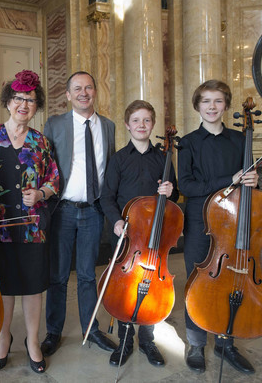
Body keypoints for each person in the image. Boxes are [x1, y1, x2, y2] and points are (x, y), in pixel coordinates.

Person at [0, 70, 59, 374]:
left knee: (33, 287)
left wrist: (39, 194)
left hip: (32, 227)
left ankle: (33, 341)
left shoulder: (41, 142)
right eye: (18, 98)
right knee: (3, 287)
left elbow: (54, 181)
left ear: (37, 106)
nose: (24, 104)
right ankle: (3, 337)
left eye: (31, 100)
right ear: (8, 101)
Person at [178, 80, 258, 374]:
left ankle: (227, 344)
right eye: (206, 101)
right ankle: (196, 343)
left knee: (231, 283)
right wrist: (229, 180)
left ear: (226, 105)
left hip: (233, 222)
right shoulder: (187, 142)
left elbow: (247, 184)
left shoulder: (240, 140)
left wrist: (252, 180)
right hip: (200, 221)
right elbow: (186, 185)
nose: (212, 107)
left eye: (218, 101)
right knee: (196, 282)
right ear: (197, 106)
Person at [42, 71, 117, 356]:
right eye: (77, 88)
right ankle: (53, 332)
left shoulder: (107, 126)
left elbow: (110, 167)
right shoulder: (55, 124)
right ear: (68, 95)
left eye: (88, 87)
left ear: (95, 91)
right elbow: (44, 166)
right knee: (58, 276)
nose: (83, 92)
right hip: (62, 209)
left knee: (87, 275)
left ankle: (92, 329)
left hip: (93, 212)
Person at [100, 100, 178, 367]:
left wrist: (170, 192)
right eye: (136, 120)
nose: (141, 125)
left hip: (155, 237)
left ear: (152, 124)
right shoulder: (119, 159)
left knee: (153, 287)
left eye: (146, 120)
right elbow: (107, 197)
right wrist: (116, 222)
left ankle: (147, 340)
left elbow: (175, 195)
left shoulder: (164, 158)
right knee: (124, 290)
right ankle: (124, 341)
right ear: (127, 125)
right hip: (127, 236)